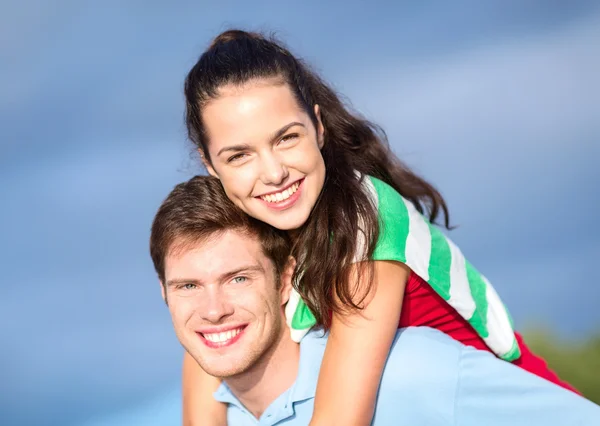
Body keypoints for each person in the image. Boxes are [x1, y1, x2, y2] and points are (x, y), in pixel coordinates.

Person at [180, 30, 577, 425]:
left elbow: (340, 420)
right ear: (210, 164)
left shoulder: (366, 218)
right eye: (239, 156)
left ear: (318, 127)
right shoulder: (241, 240)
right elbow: (211, 346)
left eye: (286, 138)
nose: (273, 172)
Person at [149, 176, 599, 425]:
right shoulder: (227, 416)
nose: (213, 308)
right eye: (188, 286)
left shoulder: (410, 372)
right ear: (164, 293)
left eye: (238, 278)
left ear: (286, 279)